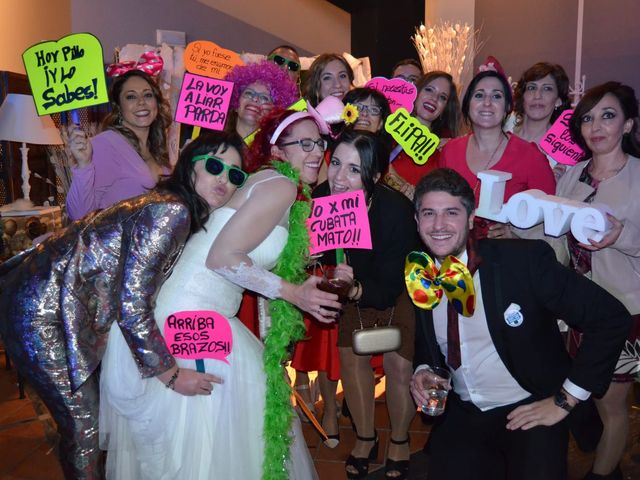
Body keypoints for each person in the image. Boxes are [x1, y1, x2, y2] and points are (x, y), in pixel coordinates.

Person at [100, 108, 340, 479]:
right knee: (206, 448)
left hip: (187, 319)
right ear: (277, 151)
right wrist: (294, 293)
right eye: (304, 143)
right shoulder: (282, 185)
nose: (315, 151)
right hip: (195, 324)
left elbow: (241, 257)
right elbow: (224, 259)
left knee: (192, 450)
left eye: (320, 143)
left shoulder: (265, 183)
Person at [0, 132, 244, 479]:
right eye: (216, 166)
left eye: (236, 175)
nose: (224, 178)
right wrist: (171, 376)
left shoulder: (173, 206)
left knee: (83, 424)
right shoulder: (171, 212)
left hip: (53, 304)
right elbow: (133, 303)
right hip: (42, 310)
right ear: (191, 166)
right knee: (83, 425)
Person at [408, 168, 631, 480]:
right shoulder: (419, 273)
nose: (439, 225)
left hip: (530, 406)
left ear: (471, 219)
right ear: (417, 221)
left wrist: (565, 400)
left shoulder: (523, 262)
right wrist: (422, 370)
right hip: (464, 412)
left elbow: (610, 318)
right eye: (429, 213)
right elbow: (428, 341)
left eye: (451, 213)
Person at [301, 130, 419, 479]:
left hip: (396, 291)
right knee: (353, 361)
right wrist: (310, 259)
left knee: (399, 366)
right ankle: (365, 437)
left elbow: (392, 283)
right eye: (336, 163)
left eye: (354, 169)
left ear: (376, 176)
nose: (339, 178)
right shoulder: (320, 197)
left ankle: (399, 439)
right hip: (348, 291)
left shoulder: (396, 211)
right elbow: (311, 259)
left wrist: (354, 290)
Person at [553, 81, 640, 480]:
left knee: (611, 405)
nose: (596, 126)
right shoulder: (571, 175)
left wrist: (624, 236)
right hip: (575, 309)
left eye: (608, 115)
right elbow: (555, 238)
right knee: (580, 395)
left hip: (624, 308)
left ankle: (603, 475)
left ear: (627, 124)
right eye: (587, 118)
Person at [439, 67, 556, 240]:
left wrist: (516, 235)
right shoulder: (450, 151)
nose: (487, 103)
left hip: (508, 259)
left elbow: (550, 218)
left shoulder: (530, 156)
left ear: (508, 106)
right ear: (468, 104)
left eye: (496, 96)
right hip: (453, 258)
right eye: (479, 95)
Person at [65, 69, 172, 220]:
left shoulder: (158, 147)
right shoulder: (105, 144)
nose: (141, 102)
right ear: (119, 108)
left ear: (157, 103)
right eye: (131, 97)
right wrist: (84, 165)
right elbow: (78, 215)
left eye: (148, 95)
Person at [384, 71, 461, 200]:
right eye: (429, 90)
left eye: (442, 97)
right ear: (416, 92)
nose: (434, 98)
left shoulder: (444, 150)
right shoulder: (386, 133)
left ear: (445, 108)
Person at [510, 62, 571, 176]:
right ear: (523, 96)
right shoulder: (503, 128)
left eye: (547, 89)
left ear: (558, 100)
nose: (537, 95)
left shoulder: (565, 149)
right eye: (532, 88)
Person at [224, 60, 299, 140]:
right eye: (249, 93)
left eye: (264, 98)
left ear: (273, 111)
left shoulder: (273, 151)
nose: (255, 99)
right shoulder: (214, 142)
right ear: (235, 102)